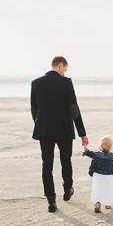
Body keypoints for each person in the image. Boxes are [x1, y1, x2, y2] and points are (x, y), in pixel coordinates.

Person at [30, 56, 89, 213]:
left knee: (46, 165)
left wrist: (40, 123)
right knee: (66, 160)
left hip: (44, 130)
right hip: (64, 129)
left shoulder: (36, 83)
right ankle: (67, 189)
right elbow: (73, 108)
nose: (65, 72)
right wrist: (82, 132)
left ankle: (51, 201)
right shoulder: (66, 82)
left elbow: (34, 109)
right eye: (65, 69)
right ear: (60, 66)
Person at [83, 136, 113, 213]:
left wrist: (84, 145)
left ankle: (98, 203)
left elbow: (87, 152)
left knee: (98, 189)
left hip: (98, 175)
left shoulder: (96, 154)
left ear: (100, 145)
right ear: (111, 147)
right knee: (109, 189)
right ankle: (108, 203)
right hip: (110, 176)